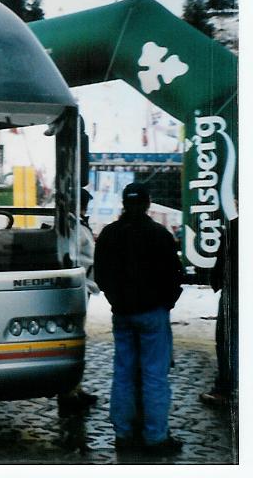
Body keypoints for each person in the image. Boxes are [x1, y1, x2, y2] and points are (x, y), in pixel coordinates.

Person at [94, 182, 183, 456]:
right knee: (155, 375)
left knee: (123, 372)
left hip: (122, 314)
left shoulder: (109, 234)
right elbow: (174, 276)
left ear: (124, 203)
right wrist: (166, 303)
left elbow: (101, 276)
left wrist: (115, 300)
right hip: (153, 313)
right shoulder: (159, 234)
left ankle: (123, 433)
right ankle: (155, 437)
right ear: (147, 203)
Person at [57, 189, 99, 414]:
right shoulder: (72, 225)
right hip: (76, 289)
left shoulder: (77, 223)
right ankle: (68, 392)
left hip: (83, 287)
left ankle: (75, 387)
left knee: (78, 338)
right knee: (73, 339)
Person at [199, 214, 238, 408]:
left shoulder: (234, 227)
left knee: (227, 342)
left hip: (235, 291)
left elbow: (222, 260)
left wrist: (215, 281)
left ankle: (224, 390)